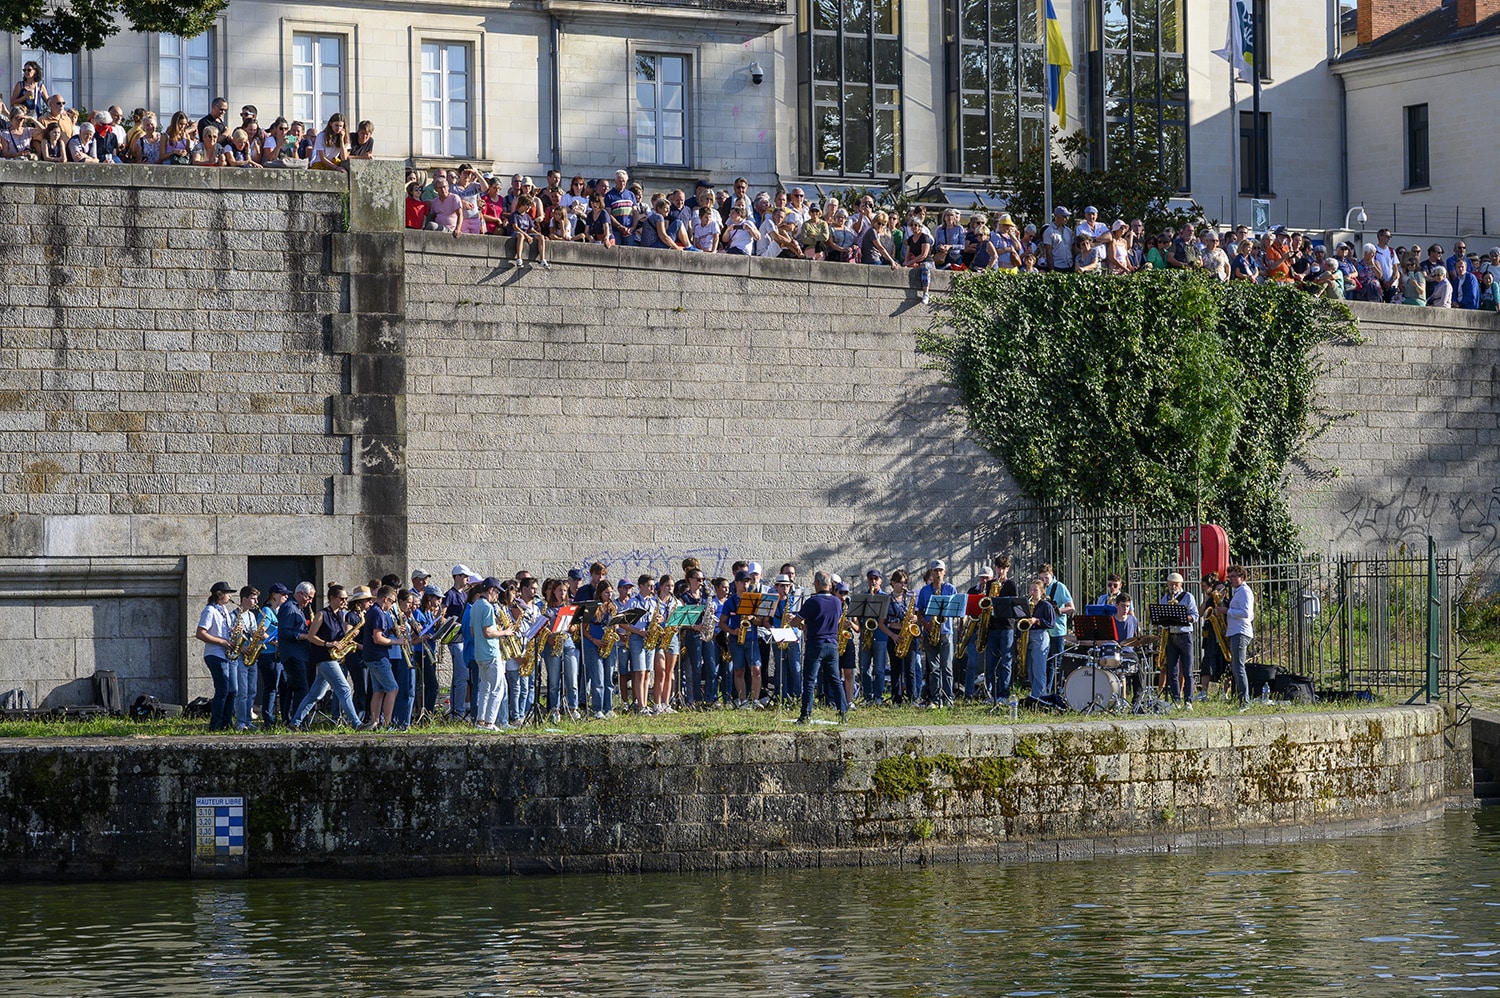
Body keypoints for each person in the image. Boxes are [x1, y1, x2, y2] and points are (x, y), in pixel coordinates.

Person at [290, 584, 367, 730]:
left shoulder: (340, 615)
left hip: (332, 657)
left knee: (315, 694)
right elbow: (311, 637)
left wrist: (349, 636)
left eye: (346, 598)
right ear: (332, 598)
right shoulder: (322, 614)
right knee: (344, 689)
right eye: (342, 598)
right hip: (323, 657)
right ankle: (356, 723)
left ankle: (294, 723)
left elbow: (338, 637)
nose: (345, 601)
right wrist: (327, 644)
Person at [796, 571, 848, 723]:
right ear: (830, 585)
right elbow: (835, 620)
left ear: (817, 583)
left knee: (810, 681)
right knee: (835, 680)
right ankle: (843, 713)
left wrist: (797, 621)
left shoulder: (812, 601)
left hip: (816, 643)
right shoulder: (837, 602)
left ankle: (805, 715)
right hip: (832, 644)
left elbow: (797, 621)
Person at [194, 581, 239, 732]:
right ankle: (215, 725)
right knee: (223, 689)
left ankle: (227, 723)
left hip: (227, 655)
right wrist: (222, 641)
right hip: (215, 654)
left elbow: (225, 630)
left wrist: (235, 630)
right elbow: (200, 633)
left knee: (233, 690)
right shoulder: (209, 610)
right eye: (228, 593)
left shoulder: (224, 610)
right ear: (219, 594)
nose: (230, 596)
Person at [917, 559, 958, 707]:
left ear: (944, 572)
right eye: (935, 571)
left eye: (940, 570)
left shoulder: (951, 589)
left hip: (946, 632)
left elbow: (956, 610)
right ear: (932, 573)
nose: (938, 573)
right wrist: (925, 623)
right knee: (933, 668)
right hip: (930, 632)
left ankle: (948, 697)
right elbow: (919, 610)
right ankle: (935, 698)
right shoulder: (925, 590)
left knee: (947, 667)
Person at [470, 577, 508, 730]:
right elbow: (488, 632)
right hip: (491, 653)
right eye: (497, 591)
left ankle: (481, 721)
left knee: (484, 689)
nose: (498, 595)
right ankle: (490, 722)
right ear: (491, 590)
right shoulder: (487, 607)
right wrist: (505, 631)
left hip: (479, 653)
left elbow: (474, 632)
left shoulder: (474, 605)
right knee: (497, 689)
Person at [1159, 572, 1198, 707]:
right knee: (1172, 671)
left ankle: (1189, 700)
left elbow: (1195, 616)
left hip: (1185, 635)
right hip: (1171, 635)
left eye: (1175, 584)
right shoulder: (1165, 599)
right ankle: (1176, 700)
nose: (1173, 587)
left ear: (1180, 585)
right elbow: (1161, 621)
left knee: (1187, 671)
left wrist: (1183, 617)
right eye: (1170, 584)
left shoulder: (1188, 597)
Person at [1038, 563, 1074, 693]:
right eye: (1041, 578)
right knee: (1045, 661)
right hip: (1044, 629)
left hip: (1057, 629)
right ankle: (1044, 690)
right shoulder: (1040, 587)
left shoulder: (1060, 587)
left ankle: (1054, 690)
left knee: (1055, 662)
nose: (1044, 581)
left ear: (1051, 575)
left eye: (1046, 578)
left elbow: (1071, 607)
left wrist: (1058, 610)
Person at [1221, 565, 1255, 702]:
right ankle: (1241, 698)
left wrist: (1226, 611)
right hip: (1235, 631)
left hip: (1240, 632)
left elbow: (1246, 613)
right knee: (1236, 667)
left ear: (1242, 577)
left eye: (1234, 576)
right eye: (1230, 577)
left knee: (1239, 667)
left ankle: (1244, 700)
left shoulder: (1244, 592)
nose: (1231, 580)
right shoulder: (1238, 591)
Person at [1021, 578, 1057, 701]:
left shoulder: (1046, 605)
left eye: (1035, 590)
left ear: (1042, 591)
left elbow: (1051, 624)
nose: (1032, 592)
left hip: (1040, 636)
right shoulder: (1026, 604)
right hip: (1028, 636)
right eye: (1031, 590)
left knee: (1039, 669)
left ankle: (1041, 696)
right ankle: (1035, 694)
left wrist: (1037, 621)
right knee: (1030, 669)